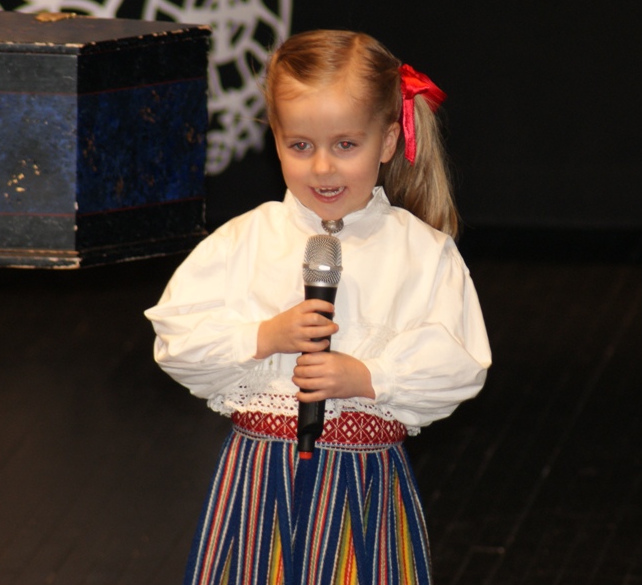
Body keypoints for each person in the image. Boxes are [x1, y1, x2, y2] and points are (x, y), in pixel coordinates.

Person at [145, 30, 491, 585]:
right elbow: (177, 341)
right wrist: (263, 336)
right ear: (276, 140)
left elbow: (459, 363)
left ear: (387, 141)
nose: (323, 168)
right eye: (300, 146)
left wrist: (369, 376)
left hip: (362, 486)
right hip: (258, 482)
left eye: (345, 145)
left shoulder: (421, 253)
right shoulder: (245, 241)